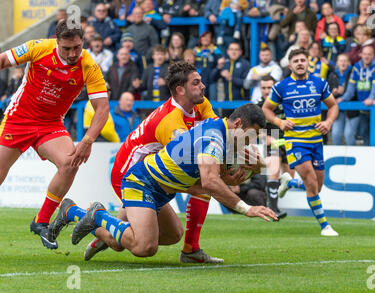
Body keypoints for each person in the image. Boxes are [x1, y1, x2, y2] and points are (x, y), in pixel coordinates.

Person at [50, 62, 235, 263]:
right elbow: (183, 170)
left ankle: (96, 223)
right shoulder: (171, 122)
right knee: (131, 242)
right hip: (129, 174)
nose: (203, 86)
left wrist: (231, 162)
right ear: (181, 90)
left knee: (172, 234)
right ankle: (83, 215)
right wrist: (224, 177)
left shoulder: (201, 104)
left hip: (146, 173)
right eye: (196, 82)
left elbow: (219, 134)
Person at [51, 104, 277, 261]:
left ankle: (74, 212)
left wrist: (254, 168)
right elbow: (210, 182)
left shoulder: (224, 134)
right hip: (141, 183)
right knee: (144, 247)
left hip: (161, 190)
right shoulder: (214, 139)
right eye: (251, 134)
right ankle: (97, 215)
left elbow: (217, 178)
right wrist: (245, 208)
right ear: (237, 123)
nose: (251, 141)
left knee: (165, 236)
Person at [0, 20, 109, 249]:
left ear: (83, 43)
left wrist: (87, 140)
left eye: (77, 47)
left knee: (70, 163)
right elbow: (3, 60)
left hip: (50, 124)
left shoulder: (89, 64)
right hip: (19, 119)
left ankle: (41, 221)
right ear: (56, 42)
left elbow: (102, 108)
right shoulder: (38, 47)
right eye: (66, 48)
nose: (72, 53)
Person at [262, 48, 340, 237]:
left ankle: (289, 183)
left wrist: (328, 122)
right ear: (290, 65)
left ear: (308, 63)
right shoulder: (281, 87)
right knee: (311, 181)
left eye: (302, 60)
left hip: (316, 141)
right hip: (295, 141)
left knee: (316, 187)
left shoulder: (319, 84)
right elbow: (266, 109)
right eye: (295, 60)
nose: (299, 63)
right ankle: (325, 226)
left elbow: (333, 106)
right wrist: (280, 122)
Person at [256, 75, 293, 219]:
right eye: (263, 88)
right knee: (274, 171)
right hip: (273, 140)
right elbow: (253, 129)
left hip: (289, 140)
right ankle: (273, 208)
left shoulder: (285, 102)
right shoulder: (258, 106)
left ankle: (271, 198)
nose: (266, 91)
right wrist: (265, 137)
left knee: (289, 177)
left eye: (269, 88)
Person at [337, 46, 375, 146]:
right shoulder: (356, 67)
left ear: (373, 55)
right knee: (364, 133)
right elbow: (351, 89)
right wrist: (343, 98)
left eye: (369, 54)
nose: (366, 56)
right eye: (365, 54)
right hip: (362, 108)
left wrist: (371, 98)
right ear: (361, 55)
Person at [211, 42, 250, 117]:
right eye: (231, 49)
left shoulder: (245, 64)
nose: (233, 52)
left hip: (242, 104)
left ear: (240, 52)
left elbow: (246, 84)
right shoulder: (224, 64)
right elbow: (212, 79)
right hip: (226, 104)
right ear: (227, 51)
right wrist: (218, 68)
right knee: (226, 127)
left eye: (236, 49)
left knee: (241, 128)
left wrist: (231, 78)